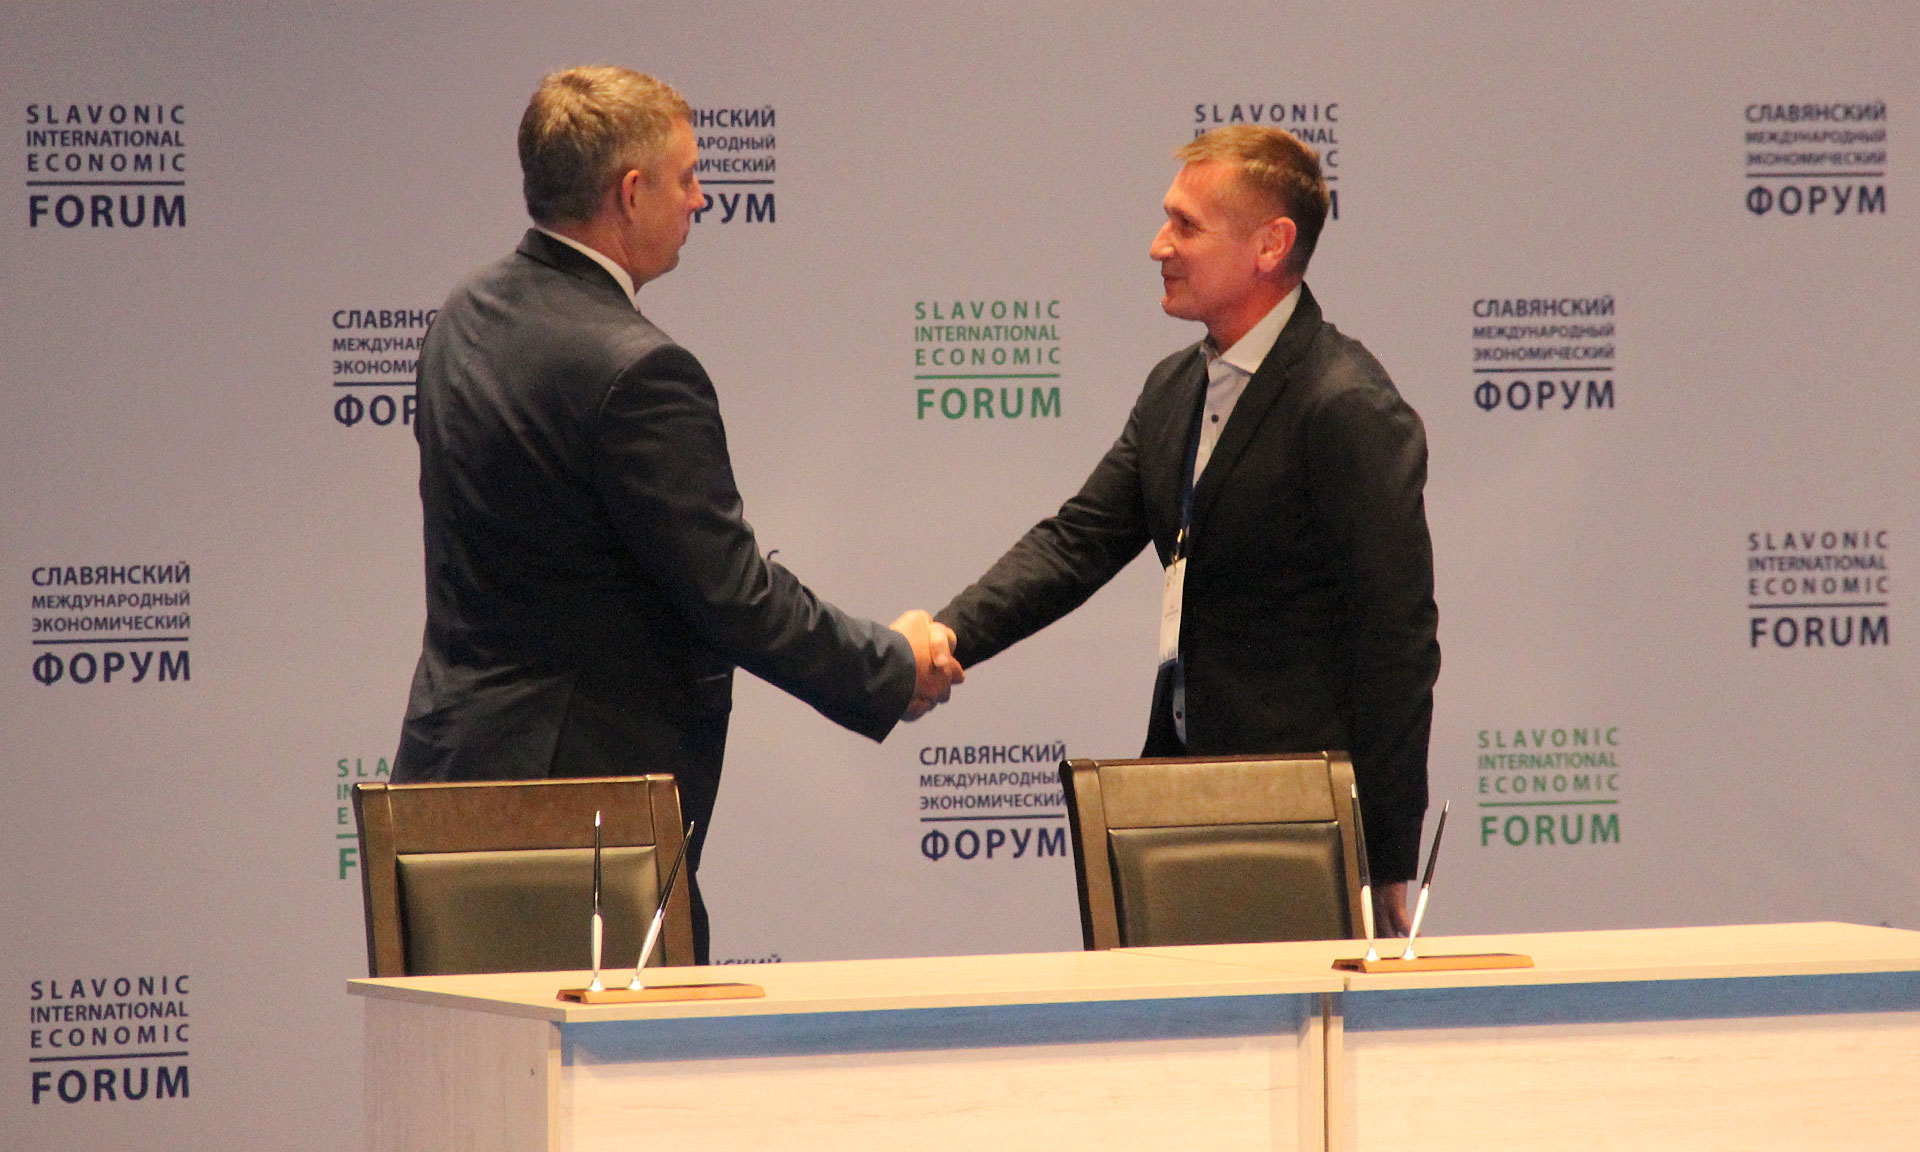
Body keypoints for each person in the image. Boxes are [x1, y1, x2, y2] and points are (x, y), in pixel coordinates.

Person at [393, 67, 960, 963]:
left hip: (445, 787)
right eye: (687, 177)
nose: (701, 198)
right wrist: (892, 665)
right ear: (631, 192)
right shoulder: (639, 371)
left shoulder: (464, 315)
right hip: (580, 828)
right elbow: (732, 596)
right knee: (613, 1057)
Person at [935, 126, 1438, 931]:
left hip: (1303, 827)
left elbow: (1397, 643)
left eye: (1185, 225)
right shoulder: (1174, 388)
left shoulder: (1345, 405)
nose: (1157, 245)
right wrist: (945, 634)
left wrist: (1384, 855)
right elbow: (1077, 543)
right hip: (1176, 801)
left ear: (1270, 245)